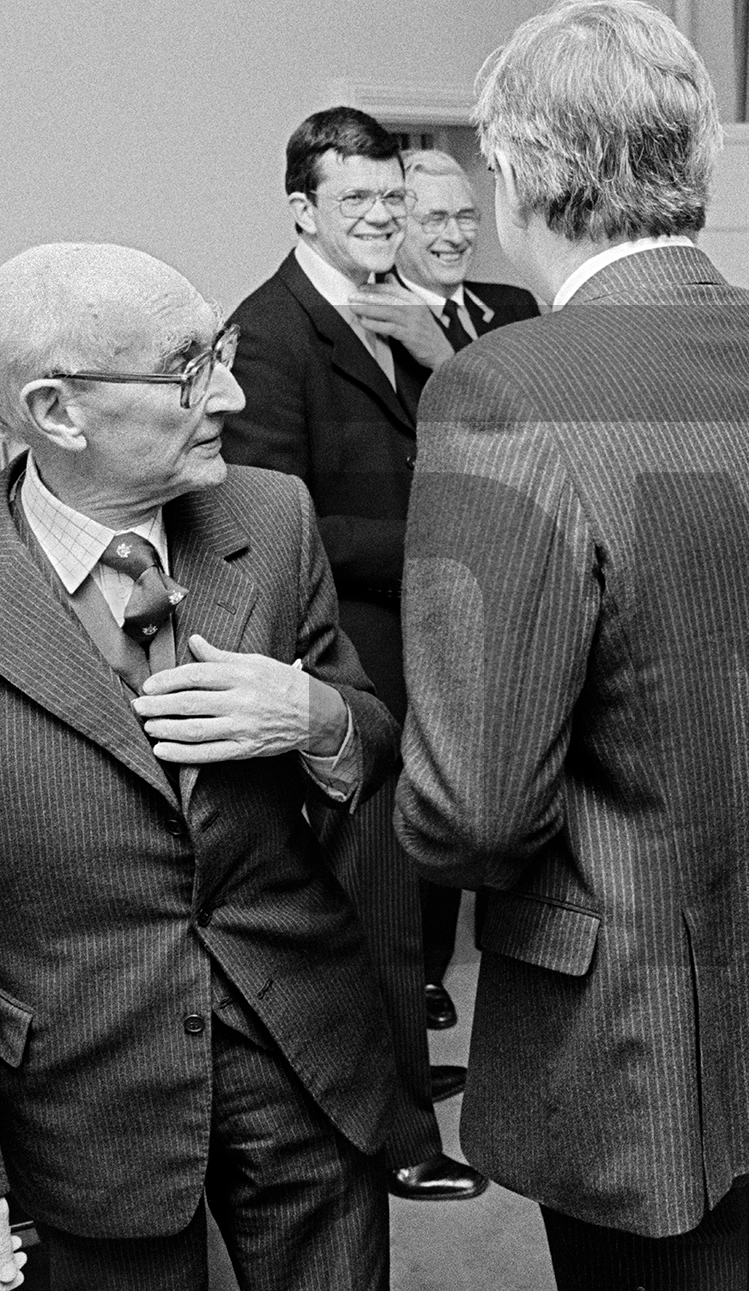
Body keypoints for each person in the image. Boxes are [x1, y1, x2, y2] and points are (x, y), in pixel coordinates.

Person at [395, 0, 749, 1289]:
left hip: (638, 1028)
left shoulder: (505, 390)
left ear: (513, 174)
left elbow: (473, 810)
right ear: (698, 166)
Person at [0, 243, 403, 1291]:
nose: (228, 391)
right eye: (191, 369)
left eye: (219, 351)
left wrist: (315, 718)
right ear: (56, 411)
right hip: (86, 1091)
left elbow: (369, 732)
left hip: (306, 1053)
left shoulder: (272, 518)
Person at [223, 107, 484, 1203]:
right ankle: (402, 1137)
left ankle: (408, 1071)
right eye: (359, 202)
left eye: (394, 199)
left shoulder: (409, 313)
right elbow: (280, 523)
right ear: (302, 212)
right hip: (346, 655)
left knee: (415, 887)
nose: (383, 218)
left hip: (426, 637)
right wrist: (445, 537)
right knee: (372, 903)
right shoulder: (270, 332)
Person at [391, 147, 539, 1032]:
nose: (452, 235)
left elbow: (540, 411)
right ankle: (426, 969)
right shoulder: (364, 318)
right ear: (392, 226)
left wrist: (444, 350)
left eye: (463, 219)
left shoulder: (512, 309)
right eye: (430, 218)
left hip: (523, 570)